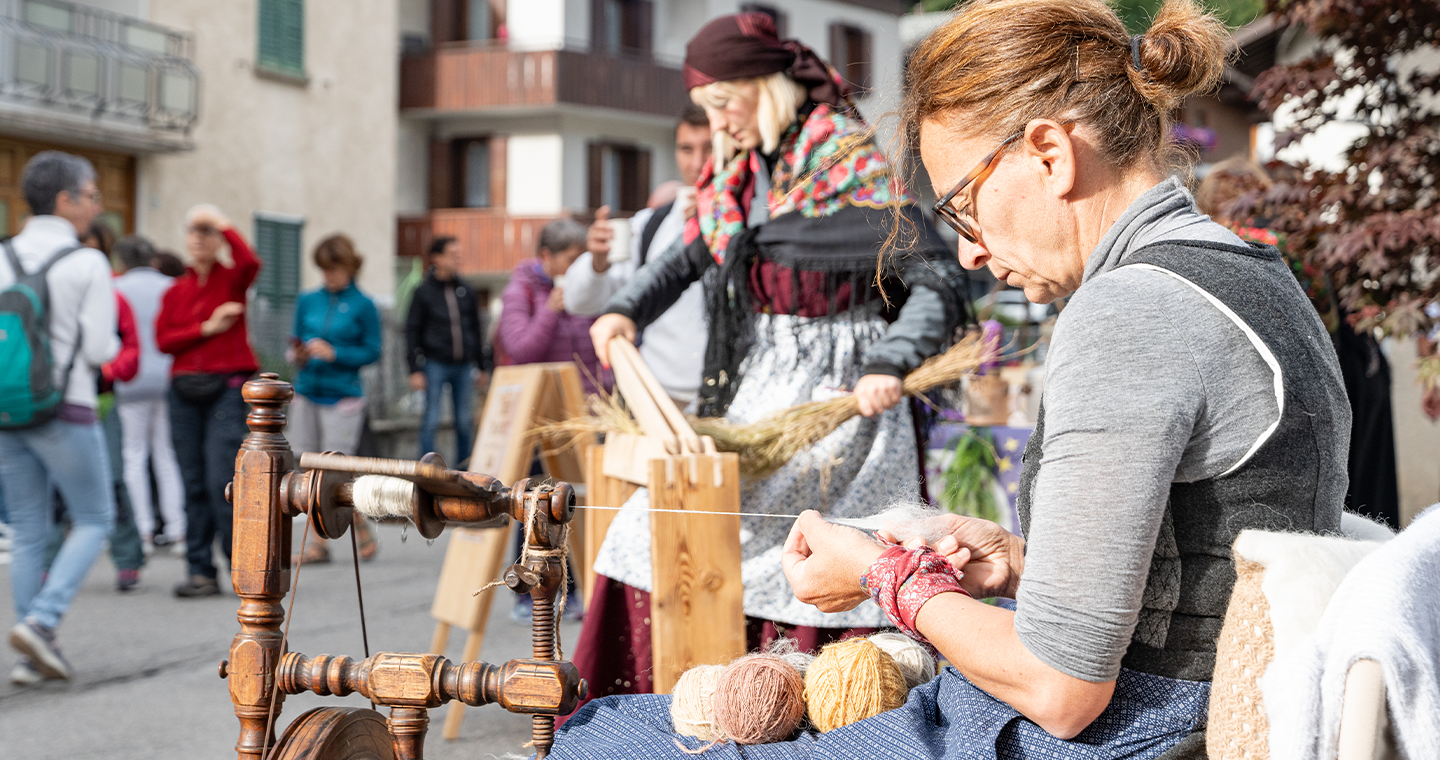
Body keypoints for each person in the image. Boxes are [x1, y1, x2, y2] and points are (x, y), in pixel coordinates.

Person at [553, 1, 1353, 757]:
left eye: (963, 206)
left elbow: (1061, 687)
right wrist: (1013, 559)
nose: (967, 250)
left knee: (600, 736)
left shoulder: (1128, 312)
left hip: (1118, 734)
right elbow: (1206, 557)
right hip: (1182, 710)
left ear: (1049, 153)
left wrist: (881, 574)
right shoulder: (1251, 274)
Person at [570, 12, 969, 708]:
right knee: (651, 529)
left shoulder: (847, 160)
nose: (718, 124)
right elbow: (688, 258)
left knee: (822, 562)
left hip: (844, 410)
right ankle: (669, 705)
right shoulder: (742, 177)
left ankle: (825, 713)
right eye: (708, 109)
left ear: (769, 88)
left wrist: (891, 360)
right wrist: (624, 309)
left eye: (725, 103)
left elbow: (935, 278)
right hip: (759, 394)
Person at [1197, 157, 1401, 528]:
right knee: (1360, 507)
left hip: (1275, 393)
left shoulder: (1224, 242)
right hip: (1345, 373)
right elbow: (1329, 320)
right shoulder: (1299, 235)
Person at [0, 151, 117, 684]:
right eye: (92, 195)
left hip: (7, 409)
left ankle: (32, 655)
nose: (97, 205)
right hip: (65, 405)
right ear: (66, 200)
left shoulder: (2, 255)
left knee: (28, 530)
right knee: (94, 518)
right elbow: (97, 350)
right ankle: (42, 622)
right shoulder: (87, 262)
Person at [564, 105, 713, 405]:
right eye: (686, 149)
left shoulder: (754, 220)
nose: (697, 162)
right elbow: (578, 302)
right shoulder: (650, 225)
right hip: (659, 397)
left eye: (709, 148)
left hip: (734, 400)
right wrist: (597, 263)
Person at [156, 204, 261, 598]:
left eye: (207, 231)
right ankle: (199, 570)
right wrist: (207, 327)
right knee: (193, 481)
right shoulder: (175, 290)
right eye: (193, 230)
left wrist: (222, 222)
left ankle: (242, 568)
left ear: (218, 239)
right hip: (183, 390)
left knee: (223, 480)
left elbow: (250, 261)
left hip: (226, 388)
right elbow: (163, 340)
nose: (199, 237)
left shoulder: (232, 279)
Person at [287, 234, 382, 564]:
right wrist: (299, 354)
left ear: (350, 267)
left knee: (332, 472)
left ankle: (321, 543)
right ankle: (348, 530)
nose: (329, 276)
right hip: (307, 392)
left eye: (335, 269)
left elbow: (373, 351)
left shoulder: (364, 305)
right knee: (310, 471)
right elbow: (294, 340)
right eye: (324, 270)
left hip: (342, 397)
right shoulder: (307, 300)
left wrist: (336, 353)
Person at [112, 234, 187, 553]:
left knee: (133, 455)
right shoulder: (172, 286)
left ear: (122, 260)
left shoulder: (115, 287)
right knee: (167, 455)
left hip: (130, 380)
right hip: (169, 378)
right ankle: (179, 530)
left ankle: (142, 531)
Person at [497, 218, 609, 394]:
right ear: (546, 256)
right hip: (541, 399)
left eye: (583, 260)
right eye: (572, 260)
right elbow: (520, 351)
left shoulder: (588, 289)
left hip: (588, 399)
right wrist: (550, 311)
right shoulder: (520, 292)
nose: (579, 268)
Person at [405, 236, 488, 467]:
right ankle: (427, 468)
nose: (457, 259)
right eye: (452, 255)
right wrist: (414, 369)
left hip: (464, 365)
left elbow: (476, 330)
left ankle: (464, 470)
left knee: (464, 421)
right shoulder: (423, 292)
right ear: (437, 258)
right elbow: (411, 331)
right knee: (431, 418)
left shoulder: (467, 291)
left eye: (459, 255)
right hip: (435, 363)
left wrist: (482, 365)